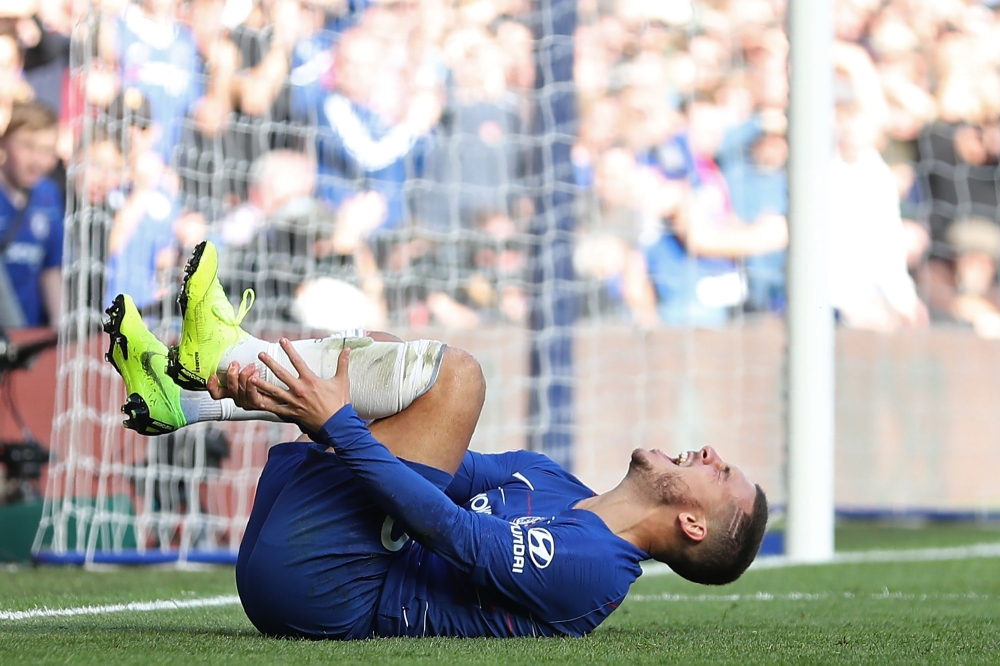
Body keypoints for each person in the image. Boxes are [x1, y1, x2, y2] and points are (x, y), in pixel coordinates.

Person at [102, 240, 768, 639]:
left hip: (332, 591)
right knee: (398, 366)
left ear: (692, 525)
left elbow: (446, 529)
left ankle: (228, 353)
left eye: (722, 473)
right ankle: (186, 396)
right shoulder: (553, 481)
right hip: (319, 552)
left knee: (458, 377)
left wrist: (333, 422)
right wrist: (313, 414)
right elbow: (403, 454)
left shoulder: (594, 573)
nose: (710, 452)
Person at [0, 100, 63, 328]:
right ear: (4, 143)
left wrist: (58, 324)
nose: (37, 160)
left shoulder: (48, 195)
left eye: (46, 150)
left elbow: (51, 269)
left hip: (26, 336)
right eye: (27, 146)